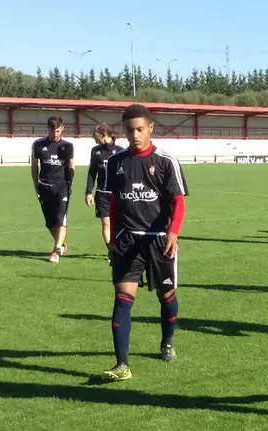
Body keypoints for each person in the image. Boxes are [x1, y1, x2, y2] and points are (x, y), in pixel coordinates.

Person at [101, 104, 188, 382]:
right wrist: (113, 240)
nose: (135, 135)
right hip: (127, 240)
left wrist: (173, 233)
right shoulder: (116, 162)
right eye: (130, 130)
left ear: (151, 128)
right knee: (122, 300)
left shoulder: (165, 160)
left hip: (159, 241)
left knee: (167, 297)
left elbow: (178, 202)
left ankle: (167, 343)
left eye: (140, 129)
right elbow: (114, 205)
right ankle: (121, 364)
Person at [31, 117, 75, 263]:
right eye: (52, 131)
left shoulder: (68, 146)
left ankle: (55, 251)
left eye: (57, 131)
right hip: (44, 187)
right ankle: (61, 245)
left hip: (62, 187)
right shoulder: (38, 145)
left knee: (60, 219)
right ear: (47, 129)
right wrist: (36, 184)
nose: (55, 134)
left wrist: (69, 184)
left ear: (62, 128)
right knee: (50, 223)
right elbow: (34, 166)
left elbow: (71, 166)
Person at [85, 123, 126, 253]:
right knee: (106, 224)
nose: (93, 138)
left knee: (119, 224)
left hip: (117, 195)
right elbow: (92, 172)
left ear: (103, 135)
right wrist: (88, 192)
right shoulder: (95, 150)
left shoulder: (121, 151)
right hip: (102, 193)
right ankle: (111, 252)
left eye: (94, 135)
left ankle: (122, 249)